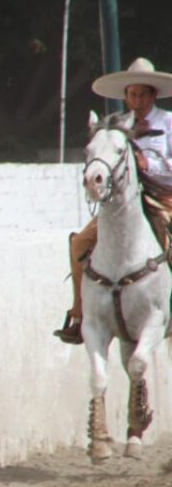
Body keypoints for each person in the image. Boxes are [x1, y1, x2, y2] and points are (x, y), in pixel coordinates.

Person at [54, 57, 172, 344]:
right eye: (132, 94)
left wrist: (148, 165)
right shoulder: (116, 127)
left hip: (163, 197)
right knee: (81, 242)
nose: (137, 100)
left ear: (153, 94)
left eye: (142, 94)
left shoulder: (168, 122)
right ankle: (80, 314)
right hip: (123, 203)